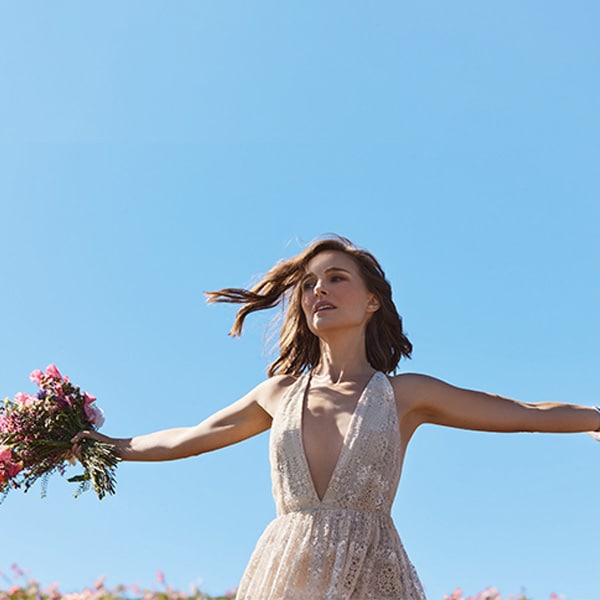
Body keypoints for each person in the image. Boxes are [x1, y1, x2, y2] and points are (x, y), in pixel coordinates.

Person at [72, 234, 600, 600]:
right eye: (307, 283)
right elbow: (188, 437)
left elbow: (523, 412)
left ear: (372, 302)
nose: (317, 290)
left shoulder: (404, 395)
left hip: (372, 572)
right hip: (287, 573)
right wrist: (101, 443)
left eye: (336, 278)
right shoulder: (276, 394)